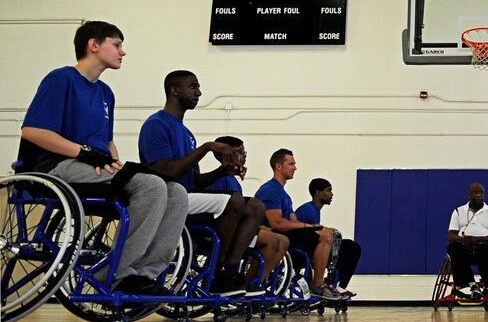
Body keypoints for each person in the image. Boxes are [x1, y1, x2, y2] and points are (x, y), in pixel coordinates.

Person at [20, 21, 187, 295]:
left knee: (177, 192)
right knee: (151, 186)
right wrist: (84, 153)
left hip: (94, 165)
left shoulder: (106, 93)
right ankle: (117, 274)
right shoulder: (60, 79)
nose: (123, 52)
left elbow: (106, 141)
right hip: (57, 166)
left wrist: (115, 164)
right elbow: (33, 131)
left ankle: (145, 275)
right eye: (117, 45)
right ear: (94, 45)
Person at [138, 70, 264, 297]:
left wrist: (223, 172)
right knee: (233, 201)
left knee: (255, 207)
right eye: (193, 86)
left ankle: (228, 271)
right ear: (175, 91)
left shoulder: (186, 133)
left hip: (189, 198)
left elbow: (194, 180)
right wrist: (206, 148)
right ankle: (215, 272)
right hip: (167, 198)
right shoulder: (155, 125)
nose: (199, 92)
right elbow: (165, 172)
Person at [204, 136, 290, 290]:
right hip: (222, 233)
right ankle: (233, 276)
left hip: (236, 229)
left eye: (245, 152)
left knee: (282, 241)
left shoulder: (234, 182)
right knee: (274, 240)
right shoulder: (218, 181)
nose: (243, 156)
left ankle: (249, 282)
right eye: (239, 152)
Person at [254, 149, 340, 301]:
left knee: (330, 234)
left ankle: (331, 283)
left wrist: (315, 227)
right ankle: (317, 286)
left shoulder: (285, 195)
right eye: (291, 164)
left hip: (286, 234)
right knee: (325, 234)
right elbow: (277, 223)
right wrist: (312, 228)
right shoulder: (269, 190)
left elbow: (294, 222)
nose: (295, 167)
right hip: (275, 236)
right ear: (278, 166)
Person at [447, 183, 488, 311]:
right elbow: (452, 235)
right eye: (474, 192)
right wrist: (465, 240)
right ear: (468, 195)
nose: (477, 195)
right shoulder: (458, 211)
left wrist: (475, 240)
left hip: (483, 249)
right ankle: (473, 286)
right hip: (462, 248)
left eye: (480, 192)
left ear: (484, 194)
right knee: (453, 247)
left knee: (486, 250)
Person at [295, 178, 362, 298]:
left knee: (352, 247)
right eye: (328, 191)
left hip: (316, 247)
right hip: (304, 250)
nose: (332, 194)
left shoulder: (315, 210)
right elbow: (297, 232)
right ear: (317, 192)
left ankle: (339, 285)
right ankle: (320, 284)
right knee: (346, 247)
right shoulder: (306, 210)